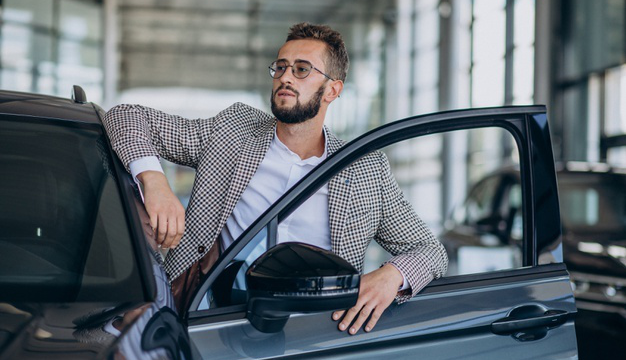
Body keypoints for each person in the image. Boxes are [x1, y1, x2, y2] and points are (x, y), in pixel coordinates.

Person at [103, 22, 448, 335]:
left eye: (302, 70)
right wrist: (154, 181)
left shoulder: (365, 168)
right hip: (209, 319)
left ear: (332, 90)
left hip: (316, 333)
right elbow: (125, 116)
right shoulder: (234, 130)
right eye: (280, 67)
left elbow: (430, 251)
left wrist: (390, 277)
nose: (285, 77)